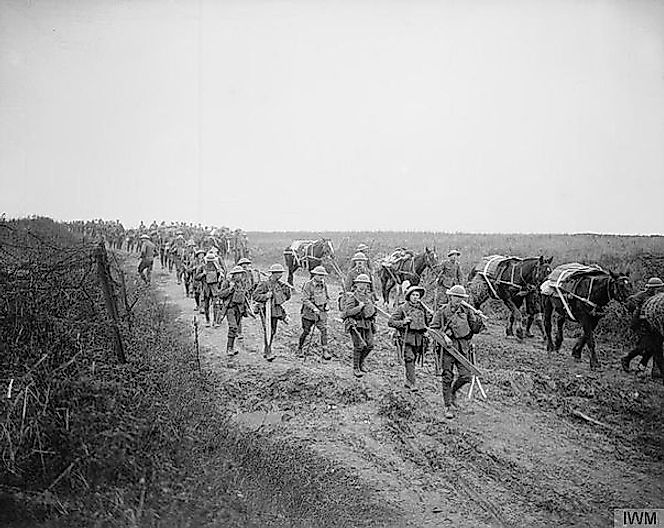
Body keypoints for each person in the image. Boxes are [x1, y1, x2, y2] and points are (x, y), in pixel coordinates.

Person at [430, 285, 484, 419]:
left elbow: (475, 329)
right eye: (456, 297)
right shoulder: (442, 311)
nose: (458, 300)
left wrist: (478, 318)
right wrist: (445, 336)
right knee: (447, 377)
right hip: (447, 349)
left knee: (466, 376)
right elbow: (433, 329)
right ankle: (447, 405)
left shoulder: (467, 311)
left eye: (461, 298)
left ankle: (452, 392)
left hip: (463, 347)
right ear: (450, 297)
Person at [388, 285, 432, 391]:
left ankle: (408, 381)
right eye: (413, 295)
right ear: (409, 296)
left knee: (413, 359)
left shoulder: (423, 309)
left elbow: (429, 323)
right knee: (409, 358)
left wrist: (430, 320)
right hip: (406, 338)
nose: (415, 297)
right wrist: (403, 322)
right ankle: (412, 383)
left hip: (419, 339)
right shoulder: (403, 308)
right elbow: (391, 322)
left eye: (417, 295)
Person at [621, 277, 664, 377]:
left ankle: (642, 368)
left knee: (654, 349)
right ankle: (626, 359)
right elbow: (629, 304)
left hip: (653, 326)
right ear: (651, 288)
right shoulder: (641, 296)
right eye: (657, 288)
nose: (659, 290)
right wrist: (637, 309)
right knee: (645, 347)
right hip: (641, 325)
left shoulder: (658, 298)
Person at [253, 263, 292, 361]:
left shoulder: (280, 284)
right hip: (265, 310)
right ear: (273, 273)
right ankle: (268, 351)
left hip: (275, 310)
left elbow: (284, 298)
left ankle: (266, 350)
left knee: (273, 331)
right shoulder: (264, 284)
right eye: (279, 273)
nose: (281, 275)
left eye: (281, 273)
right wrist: (265, 296)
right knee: (268, 330)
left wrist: (287, 290)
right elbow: (255, 296)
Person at [343, 274, 377, 377]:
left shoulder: (369, 297)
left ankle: (361, 362)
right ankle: (356, 368)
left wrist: (373, 314)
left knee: (370, 345)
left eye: (366, 283)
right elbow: (346, 312)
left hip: (368, 324)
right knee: (359, 346)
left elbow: (373, 310)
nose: (363, 285)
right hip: (356, 324)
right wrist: (359, 308)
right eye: (361, 283)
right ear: (356, 284)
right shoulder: (352, 297)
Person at [298, 265, 331, 360]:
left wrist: (327, 305)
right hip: (308, 313)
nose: (321, 277)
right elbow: (305, 299)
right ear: (314, 274)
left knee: (324, 330)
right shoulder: (308, 285)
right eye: (319, 275)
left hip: (321, 313)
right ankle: (300, 348)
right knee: (306, 331)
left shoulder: (324, 285)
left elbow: (327, 297)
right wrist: (313, 308)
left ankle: (325, 350)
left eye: (323, 275)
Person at [218, 266, 251, 356]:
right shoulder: (227, 283)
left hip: (240, 309)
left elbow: (246, 295)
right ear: (234, 275)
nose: (239, 275)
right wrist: (230, 289)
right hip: (230, 308)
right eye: (237, 274)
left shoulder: (242, 283)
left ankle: (231, 347)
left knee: (235, 328)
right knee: (233, 327)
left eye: (240, 273)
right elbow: (220, 294)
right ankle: (229, 348)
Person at [197, 250, 223, 327]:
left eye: (211, 261)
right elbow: (196, 277)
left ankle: (215, 321)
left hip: (214, 290)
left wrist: (220, 275)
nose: (210, 262)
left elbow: (222, 276)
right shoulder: (202, 267)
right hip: (206, 289)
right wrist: (203, 274)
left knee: (216, 305)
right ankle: (207, 320)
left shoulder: (217, 267)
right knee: (206, 306)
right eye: (209, 261)